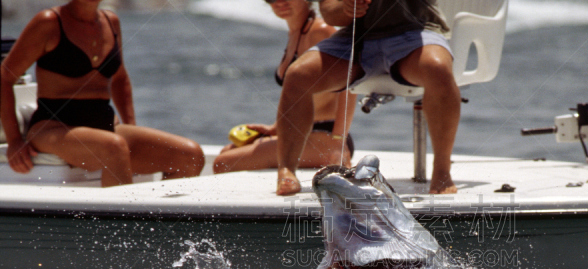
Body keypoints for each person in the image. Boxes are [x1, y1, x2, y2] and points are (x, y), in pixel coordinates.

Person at [0, 0, 204, 187]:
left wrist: (130, 126)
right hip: (52, 127)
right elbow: (5, 77)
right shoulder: (49, 22)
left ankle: (158, 225)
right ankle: (119, 226)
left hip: (104, 125)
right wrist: (15, 141)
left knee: (190, 155)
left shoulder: (111, 22)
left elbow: (120, 79)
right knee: (114, 148)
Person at [274, 0, 460, 196]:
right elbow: (329, 13)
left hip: (414, 32)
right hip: (357, 37)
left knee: (438, 68)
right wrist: (345, 8)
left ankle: (442, 169)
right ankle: (286, 170)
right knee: (297, 75)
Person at [213, 0, 356, 175]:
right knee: (226, 152)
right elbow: (298, 94)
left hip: (326, 134)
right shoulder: (296, 33)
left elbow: (351, 85)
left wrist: (338, 141)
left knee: (223, 163)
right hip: (299, 132)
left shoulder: (321, 30)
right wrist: (276, 127)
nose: (279, 2)